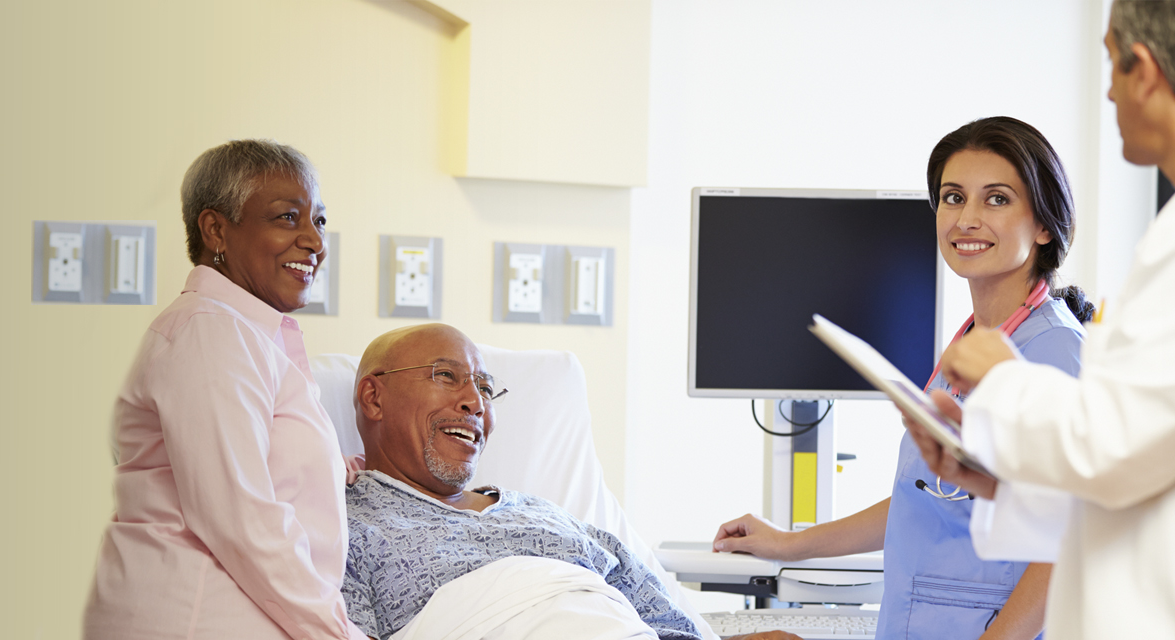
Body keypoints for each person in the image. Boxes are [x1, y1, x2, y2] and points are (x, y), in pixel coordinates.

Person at [903, 2, 1175, 639]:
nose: (1108, 89)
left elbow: (1114, 448)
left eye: (1112, 60)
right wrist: (992, 478)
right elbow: (1156, 473)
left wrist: (1003, 377)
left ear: (1142, 69)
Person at [710, 116, 1094, 640]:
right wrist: (789, 543)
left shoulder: (1051, 350)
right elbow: (924, 497)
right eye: (953, 197)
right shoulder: (968, 343)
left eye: (997, 199)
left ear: (1045, 225)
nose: (967, 219)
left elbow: (1071, 535)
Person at [82, 140, 368, 640]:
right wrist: (340, 634)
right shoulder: (209, 334)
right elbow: (242, 522)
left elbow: (239, 464)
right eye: (287, 218)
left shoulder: (245, 334)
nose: (315, 242)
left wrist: (327, 465)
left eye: (319, 221)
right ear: (216, 229)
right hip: (198, 616)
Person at [342, 323, 793, 640]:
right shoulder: (343, 524)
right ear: (374, 397)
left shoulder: (544, 514)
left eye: (484, 387)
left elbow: (661, 616)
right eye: (446, 376)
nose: (474, 402)